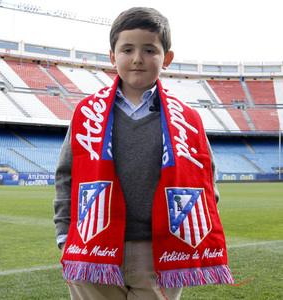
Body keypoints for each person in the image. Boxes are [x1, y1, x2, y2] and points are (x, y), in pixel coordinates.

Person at [53, 7, 232, 300]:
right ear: (113, 56)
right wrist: (64, 234)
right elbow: (66, 174)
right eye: (127, 49)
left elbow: (205, 179)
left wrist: (192, 235)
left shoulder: (186, 119)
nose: (138, 58)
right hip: (91, 247)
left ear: (167, 58)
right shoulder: (87, 114)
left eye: (149, 49)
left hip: (161, 252)